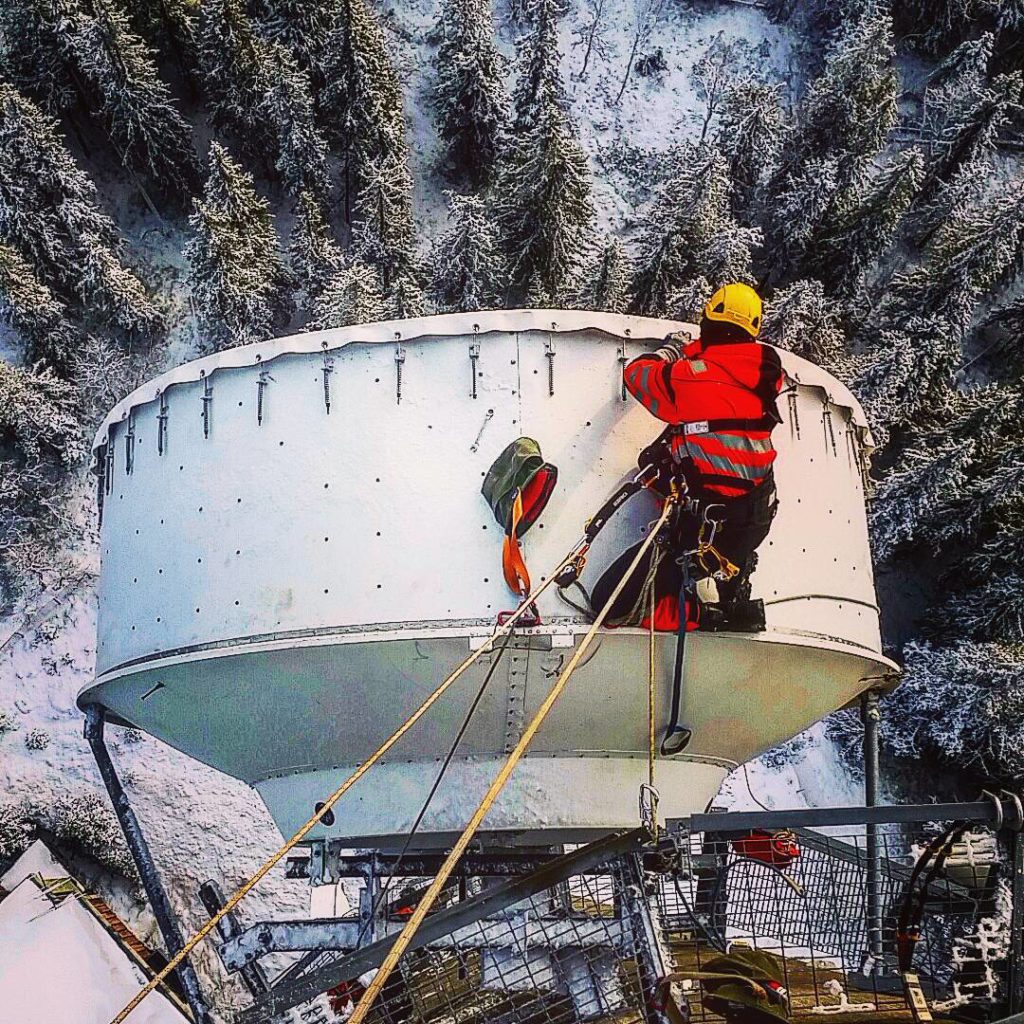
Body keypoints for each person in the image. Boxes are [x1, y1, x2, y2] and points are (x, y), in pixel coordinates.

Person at [595, 282, 783, 631]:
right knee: (659, 459)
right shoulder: (766, 375)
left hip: (707, 529)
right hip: (754, 516)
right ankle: (733, 569)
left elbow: (637, 376)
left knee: (608, 604)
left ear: (708, 320)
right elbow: (726, 381)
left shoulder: (687, 378)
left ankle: (703, 614)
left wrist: (673, 351)